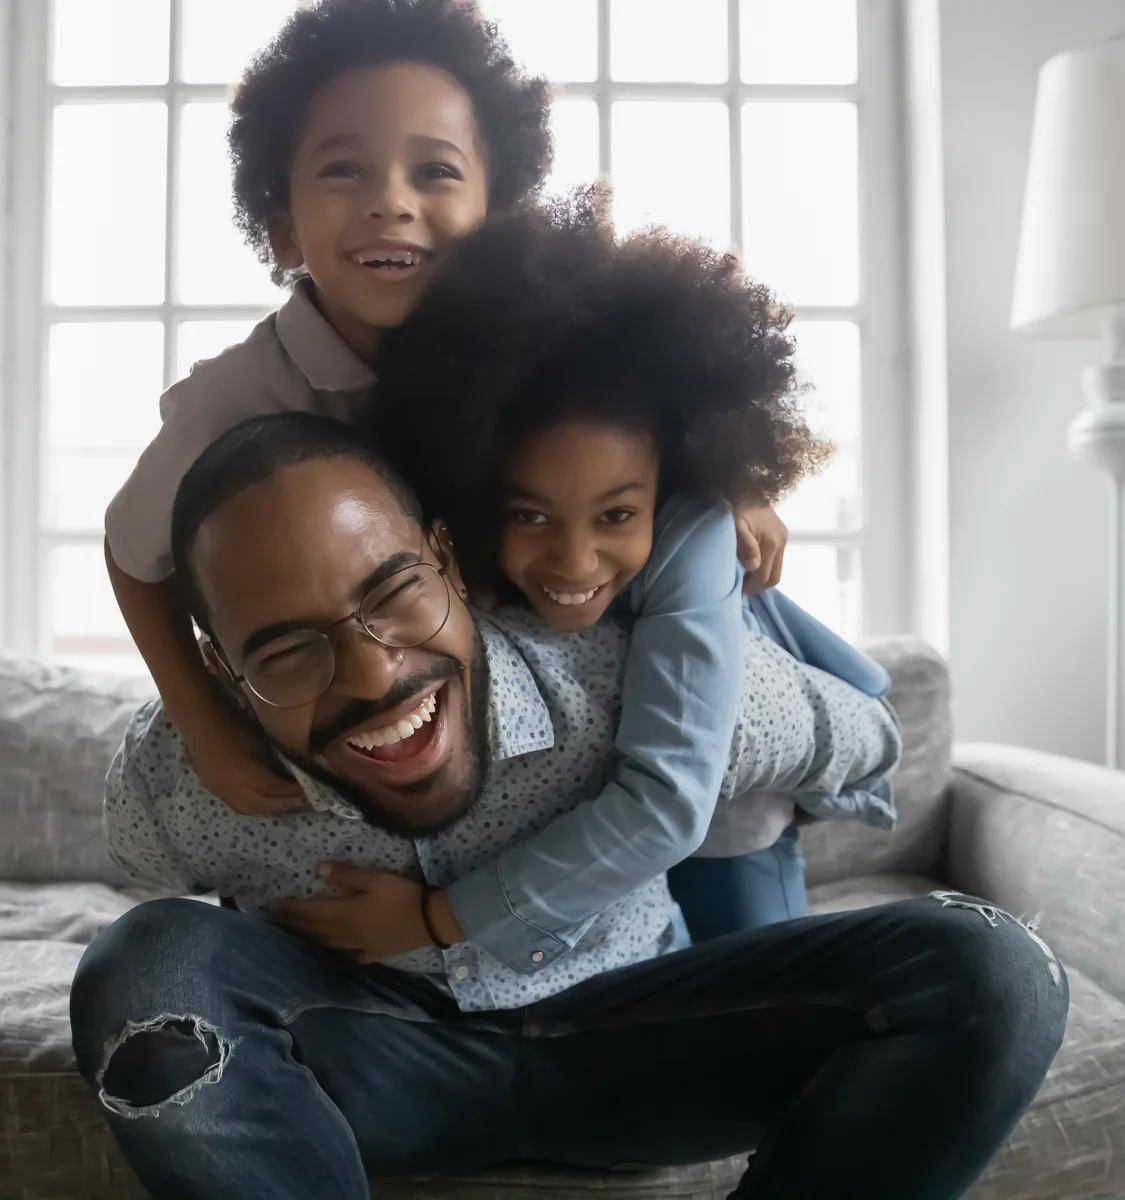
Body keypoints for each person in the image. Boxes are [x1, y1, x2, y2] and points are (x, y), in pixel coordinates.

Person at [72, 414, 1068, 1200]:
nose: (376, 676)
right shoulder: (183, 781)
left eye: (395, 592)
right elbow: (146, 875)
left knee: (994, 969)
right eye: (289, 652)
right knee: (146, 958)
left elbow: (871, 737)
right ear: (221, 673)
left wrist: (706, 723)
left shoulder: (621, 683)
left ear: (451, 562)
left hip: (641, 1043)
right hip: (379, 1057)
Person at [102, 0, 787, 818]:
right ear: (282, 231)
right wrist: (200, 717)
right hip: (418, 709)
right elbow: (130, 550)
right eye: (344, 170)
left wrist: (737, 482)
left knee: (783, 669)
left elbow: (667, 387)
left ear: (496, 214)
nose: (390, 202)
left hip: (628, 641)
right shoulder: (239, 398)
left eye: (434, 171)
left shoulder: (542, 331)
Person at [372, 192, 892, 942]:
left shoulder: (695, 529)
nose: (574, 561)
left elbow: (672, 803)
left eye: (616, 515)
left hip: (725, 815)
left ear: (671, 481)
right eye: (529, 515)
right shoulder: (447, 535)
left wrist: (438, 921)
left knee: (760, 1011)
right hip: (577, 818)